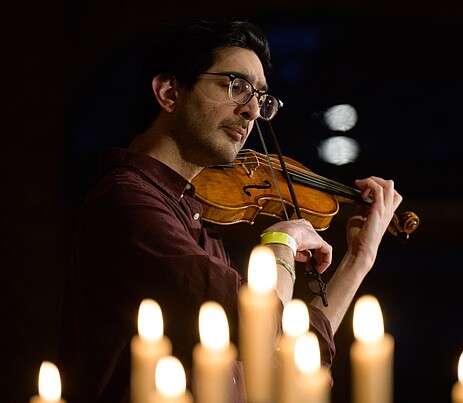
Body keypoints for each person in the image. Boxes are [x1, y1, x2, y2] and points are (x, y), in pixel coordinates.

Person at [58, 19, 403, 402]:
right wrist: (281, 241)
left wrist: (359, 258)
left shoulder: (190, 214)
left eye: (261, 98)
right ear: (170, 92)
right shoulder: (126, 202)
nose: (253, 110)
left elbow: (283, 365)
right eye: (235, 86)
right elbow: (255, 323)